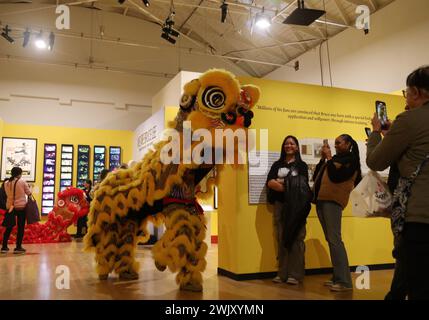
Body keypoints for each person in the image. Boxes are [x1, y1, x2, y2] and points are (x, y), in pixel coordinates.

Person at [367, 66, 429, 300]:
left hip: (420, 218)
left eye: (406, 93)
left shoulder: (410, 119)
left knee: (419, 287)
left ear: (415, 92)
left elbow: (376, 160)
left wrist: (375, 133)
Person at [313, 135, 362, 292]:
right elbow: (316, 177)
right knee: (331, 239)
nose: (335, 145)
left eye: (338, 143)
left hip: (333, 201)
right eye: (334, 143)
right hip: (322, 200)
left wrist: (328, 158)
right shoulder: (334, 158)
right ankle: (337, 276)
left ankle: (345, 281)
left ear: (348, 144)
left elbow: (336, 176)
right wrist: (323, 159)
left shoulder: (351, 160)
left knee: (335, 239)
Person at [266, 136, 310, 285]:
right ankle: (282, 273)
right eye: (286, 143)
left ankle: (295, 274)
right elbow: (270, 182)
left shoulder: (302, 165)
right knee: (282, 238)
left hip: (297, 207)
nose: (288, 145)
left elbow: (302, 185)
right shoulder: (277, 164)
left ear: (297, 147)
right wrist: (290, 185)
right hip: (280, 206)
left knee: (297, 238)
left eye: (292, 143)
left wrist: (281, 182)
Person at [1, 167, 32, 254]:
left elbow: (7, 194)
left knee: (9, 226)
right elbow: (29, 193)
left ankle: (4, 246)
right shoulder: (22, 182)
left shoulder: (6, 183)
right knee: (20, 227)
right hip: (21, 207)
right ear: (20, 173)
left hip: (10, 207)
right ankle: (18, 247)